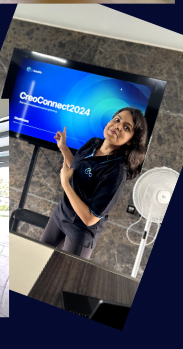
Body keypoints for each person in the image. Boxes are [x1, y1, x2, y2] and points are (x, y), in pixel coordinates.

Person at [43, 107, 148, 259]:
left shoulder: (117, 171)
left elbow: (90, 218)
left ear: (130, 140)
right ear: (108, 123)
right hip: (62, 213)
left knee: (65, 277)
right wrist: (64, 148)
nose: (118, 126)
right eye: (117, 119)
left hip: (81, 229)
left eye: (126, 127)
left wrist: (65, 183)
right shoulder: (93, 143)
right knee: (39, 256)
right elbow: (77, 169)